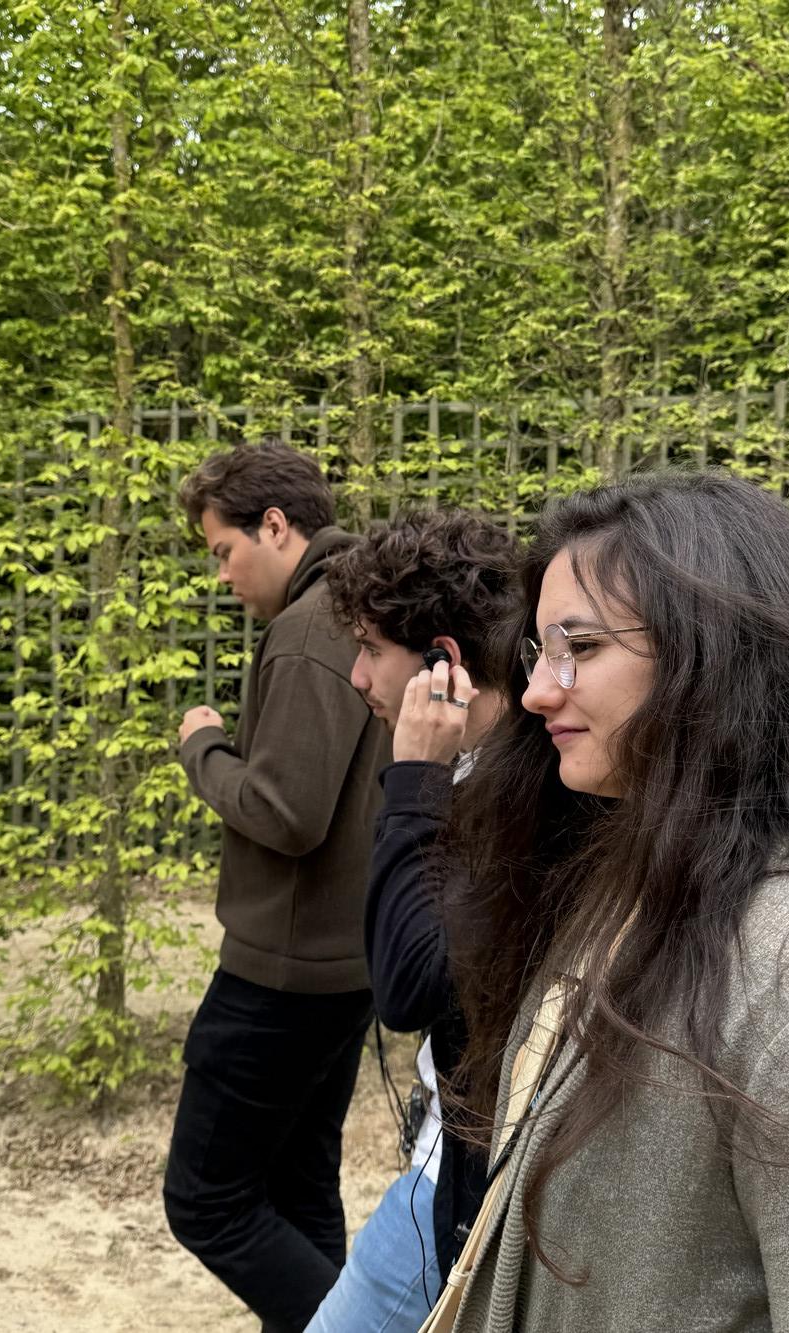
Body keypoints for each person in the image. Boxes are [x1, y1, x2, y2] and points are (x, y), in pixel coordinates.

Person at [429, 468, 789, 1331]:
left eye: (582, 646)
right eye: (539, 651)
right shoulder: (635, 883)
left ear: (715, 654)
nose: (537, 690)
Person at [163, 441, 390, 1333]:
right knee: (299, 1186)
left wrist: (203, 748)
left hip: (282, 973)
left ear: (276, 525)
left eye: (225, 551)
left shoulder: (305, 631)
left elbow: (286, 813)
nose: (222, 575)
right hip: (344, 964)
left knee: (206, 1198)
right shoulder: (364, 610)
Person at [305, 510, 518, 1331]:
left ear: (442, 660)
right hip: (453, 1169)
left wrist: (415, 781)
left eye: (370, 648)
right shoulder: (483, 769)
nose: (357, 675)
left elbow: (405, 986)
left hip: (454, 1187)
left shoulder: (508, 798)